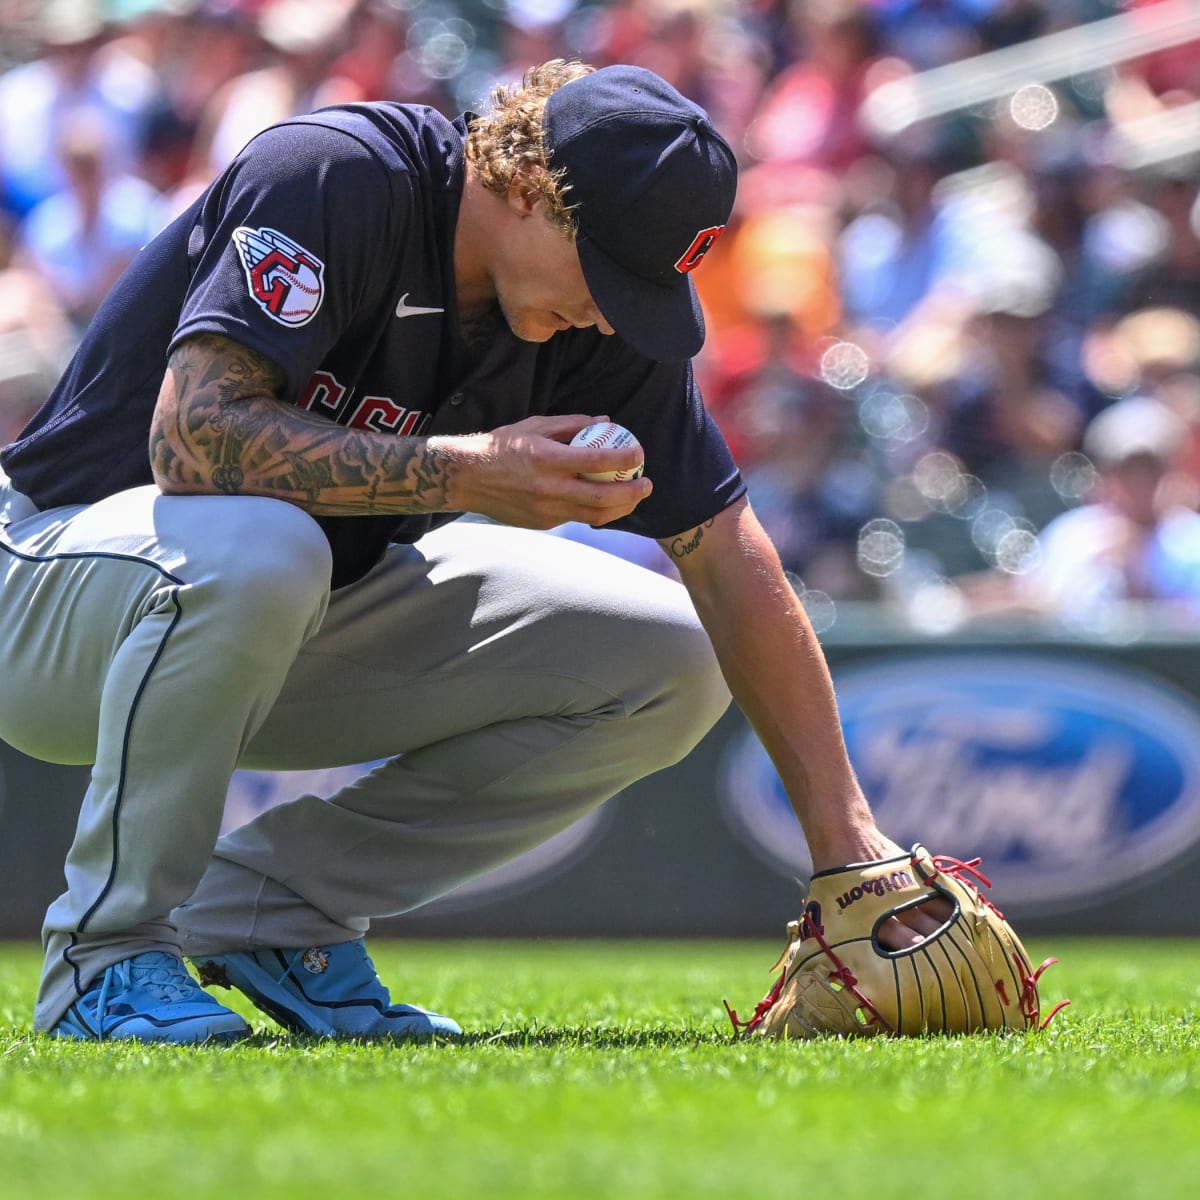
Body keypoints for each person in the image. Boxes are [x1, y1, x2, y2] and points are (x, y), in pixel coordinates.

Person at [0, 59, 929, 1045]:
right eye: (611, 274)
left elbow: (730, 560)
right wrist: (463, 476)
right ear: (527, 187)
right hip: (52, 582)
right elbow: (193, 442)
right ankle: (105, 958)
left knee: (669, 658)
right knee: (267, 547)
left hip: (277, 609)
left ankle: (280, 910)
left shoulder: (598, 326)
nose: (616, 314)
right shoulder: (340, 174)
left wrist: (846, 839)